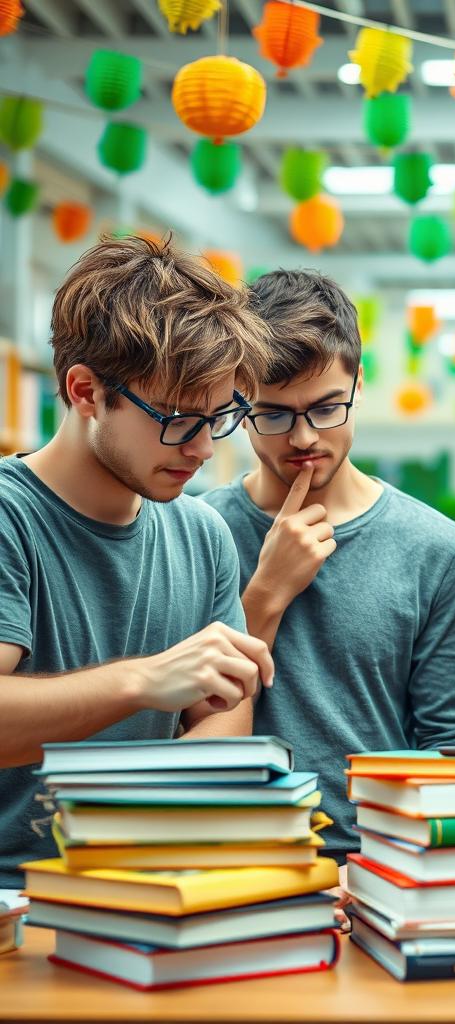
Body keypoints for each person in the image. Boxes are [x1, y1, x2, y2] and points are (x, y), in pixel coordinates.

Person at [0, 236, 275, 887]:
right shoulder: (11, 519)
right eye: (179, 419)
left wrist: (141, 845)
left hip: (147, 891)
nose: (204, 449)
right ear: (86, 391)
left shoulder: (202, 533)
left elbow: (225, 716)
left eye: (220, 418)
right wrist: (144, 682)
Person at [203, 269, 455, 871]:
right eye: (273, 415)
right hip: (226, 856)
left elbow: (449, 745)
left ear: (358, 382)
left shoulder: (434, 547)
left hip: (382, 863)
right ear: (237, 403)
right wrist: (266, 593)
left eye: (327, 408)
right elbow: (176, 718)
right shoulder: (196, 531)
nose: (303, 437)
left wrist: (395, 867)